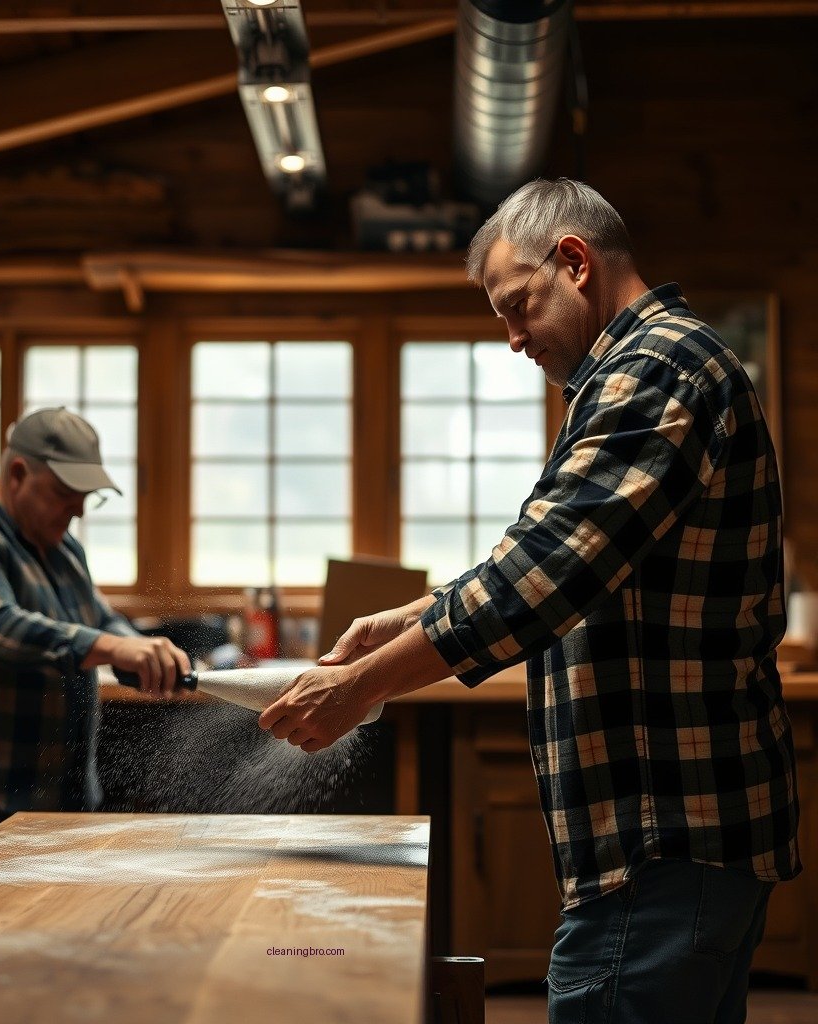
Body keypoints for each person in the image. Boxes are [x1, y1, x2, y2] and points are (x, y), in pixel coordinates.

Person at [260, 179, 800, 1023]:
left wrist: (356, 690)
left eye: (519, 306)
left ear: (575, 263)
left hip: (660, 833)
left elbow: (541, 578)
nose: (513, 339)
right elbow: (564, 557)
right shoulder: (641, 370)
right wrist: (413, 614)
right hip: (678, 838)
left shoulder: (655, 368)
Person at [0, 406, 190, 863]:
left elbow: (100, 621)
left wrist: (146, 651)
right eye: (66, 492)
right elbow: (2, 629)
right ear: (18, 472)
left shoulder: (64, 548)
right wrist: (116, 647)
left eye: (87, 495)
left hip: (63, 794)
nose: (80, 508)